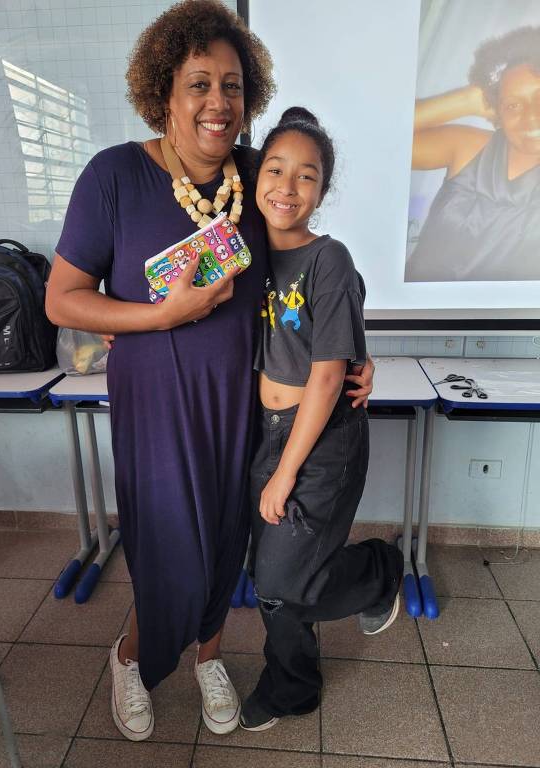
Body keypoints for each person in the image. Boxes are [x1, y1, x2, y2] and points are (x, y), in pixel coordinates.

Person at [45, 0, 375, 744]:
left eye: (231, 86)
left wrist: (355, 350)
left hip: (246, 407)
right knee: (167, 549)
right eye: (199, 84)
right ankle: (130, 656)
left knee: (228, 544)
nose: (217, 103)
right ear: (163, 89)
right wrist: (160, 316)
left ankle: (209, 657)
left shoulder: (257, 176)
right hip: (156, 404)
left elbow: (314, 269)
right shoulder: (115, 177)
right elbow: (62, 301)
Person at [240, 108, 403, 732]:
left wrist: (283, 475)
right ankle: (295, 687)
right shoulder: (244, 251)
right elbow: (183, 307)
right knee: (274, 575)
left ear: (322, 191)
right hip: (263, 428)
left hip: (320, 436)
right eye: (276, 169)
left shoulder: (327, 257)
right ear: (257, 177)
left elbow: (331, 374)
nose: (287, 185)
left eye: (306, 176)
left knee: (281, 581)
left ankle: (378, 573)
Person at [406, 25, 540, 282]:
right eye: (513, 105)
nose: (531, 117)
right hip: (420, 315)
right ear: (496, 111)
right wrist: (469, 100)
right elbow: (381, 137)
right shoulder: (469, 147)